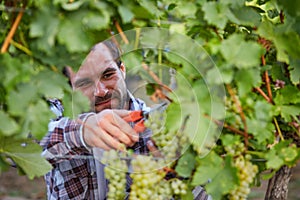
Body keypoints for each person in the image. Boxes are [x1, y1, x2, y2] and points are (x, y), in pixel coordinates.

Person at [40, 40, 209, 200]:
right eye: (85, 83)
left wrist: (181, 175)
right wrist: (82, 131)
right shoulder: (57, 115)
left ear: (122, 70)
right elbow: (23, 145)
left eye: (107, 75)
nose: (100, 91)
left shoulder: (154, 127)